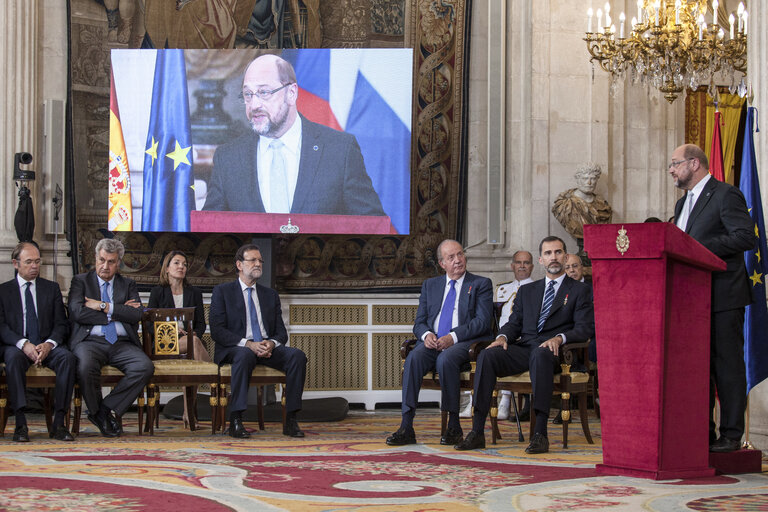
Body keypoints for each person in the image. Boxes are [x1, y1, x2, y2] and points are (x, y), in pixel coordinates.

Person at [455, 236, 594, 454]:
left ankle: (540, 433)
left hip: (555, 352)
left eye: (558, 252)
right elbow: (514, 323)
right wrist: (502, 337)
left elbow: (584, 328)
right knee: (488, 355)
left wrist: (559, 338)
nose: (553, 257)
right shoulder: (528, 290)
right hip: (525, 347)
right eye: (548, 253)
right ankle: (477, 431)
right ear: (541, 260)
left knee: (540, 354)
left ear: (565, 257)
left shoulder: (579, 290)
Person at [203, 54, 385, 217]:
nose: (254, 104)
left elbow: (371, 225)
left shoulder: (340, 151)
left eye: (264, 92)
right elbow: (210, 229)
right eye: (248, 94)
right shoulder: (228, 157)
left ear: (291, 93)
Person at [668, 143, 755, 453]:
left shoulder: (725, 194)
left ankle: (731, 434)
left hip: (722, 296)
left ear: (694, 163)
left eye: (675, 163)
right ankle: (701, 432)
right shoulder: (681, 206)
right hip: (690, 299)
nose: (671, 169)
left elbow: (746, 236)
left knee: (726, 365)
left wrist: (698, 248)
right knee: (697, 367)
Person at [386, 239, 493, 447]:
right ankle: (406, 426)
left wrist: (452, 337)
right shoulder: (431, 285)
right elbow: (419, 322)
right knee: (413, 358)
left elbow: (481, 322)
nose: (458, 260)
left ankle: (454, 426)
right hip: (433, 342)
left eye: (460, 255)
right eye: (451, 257)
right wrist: (426, 335)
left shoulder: (481, 284)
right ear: (441, 263)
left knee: (446, 359)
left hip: (464, 343)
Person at [209, 243, 307, 439]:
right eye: (252, 260)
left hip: (265, 347)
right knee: (245, 355)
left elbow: (281, 332)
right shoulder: (223, 291)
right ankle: (236, 420)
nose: (258, 264)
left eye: (260, 260)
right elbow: (217, 331)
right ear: (239, 264)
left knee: (297, 356)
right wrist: (248, 343)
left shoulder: (270, 295)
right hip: (238, 347)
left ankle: (291, 420)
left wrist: (270, 343)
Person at [69, 238, 154, 437]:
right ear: (95, 259)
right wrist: (119, 310)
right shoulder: (80, 281)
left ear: (119, 263)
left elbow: (136, 314)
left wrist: (102, 306)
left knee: (144, 366)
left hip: (122, 343)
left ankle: (103, 410)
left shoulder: (128, 284)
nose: (105, 266)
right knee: (85, 366)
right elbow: (77, 313)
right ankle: (101, 413)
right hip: (90, 342)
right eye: (101, 260)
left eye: (111, 262)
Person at [0, 242, 75, 442]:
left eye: (37, 261)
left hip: (46, 346)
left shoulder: (51, 289)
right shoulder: (3, 291)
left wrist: (49, 344)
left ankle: (59, 423)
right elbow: (2, 327)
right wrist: (23, 344)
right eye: (29, 262)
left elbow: (62, 324)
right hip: (18, 346)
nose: (34, 266)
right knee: (13, 358)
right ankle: (21, 424)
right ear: (16, 263)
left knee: (67, 358)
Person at [148, 250, 211, 426]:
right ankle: (213, 377)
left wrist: (193, 333)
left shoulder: (194, 292)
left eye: (184, 264)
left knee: (193, 347)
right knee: (195, 345)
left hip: (191, 342)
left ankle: (188, 413)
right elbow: (149, 325)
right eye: (176, 263)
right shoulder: (157, 292)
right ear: (167, 268)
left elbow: (201, 324)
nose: (181, 267)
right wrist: (173, 332)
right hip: (164, 343)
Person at [491, 250, 534, 421]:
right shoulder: (502, 289)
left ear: (532, 266)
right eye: (518, 262)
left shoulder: (536, 288)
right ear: (512, 266)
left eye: (526, 262)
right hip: (501, 335)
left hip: (522, 337)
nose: (522, 266)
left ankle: (506, 400)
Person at [552, 163, 613, 240]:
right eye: (585, 178)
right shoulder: (564, 204)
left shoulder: (603, 205)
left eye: (593, 178)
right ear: (578, 180)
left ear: (597, 180)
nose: (589, 183)